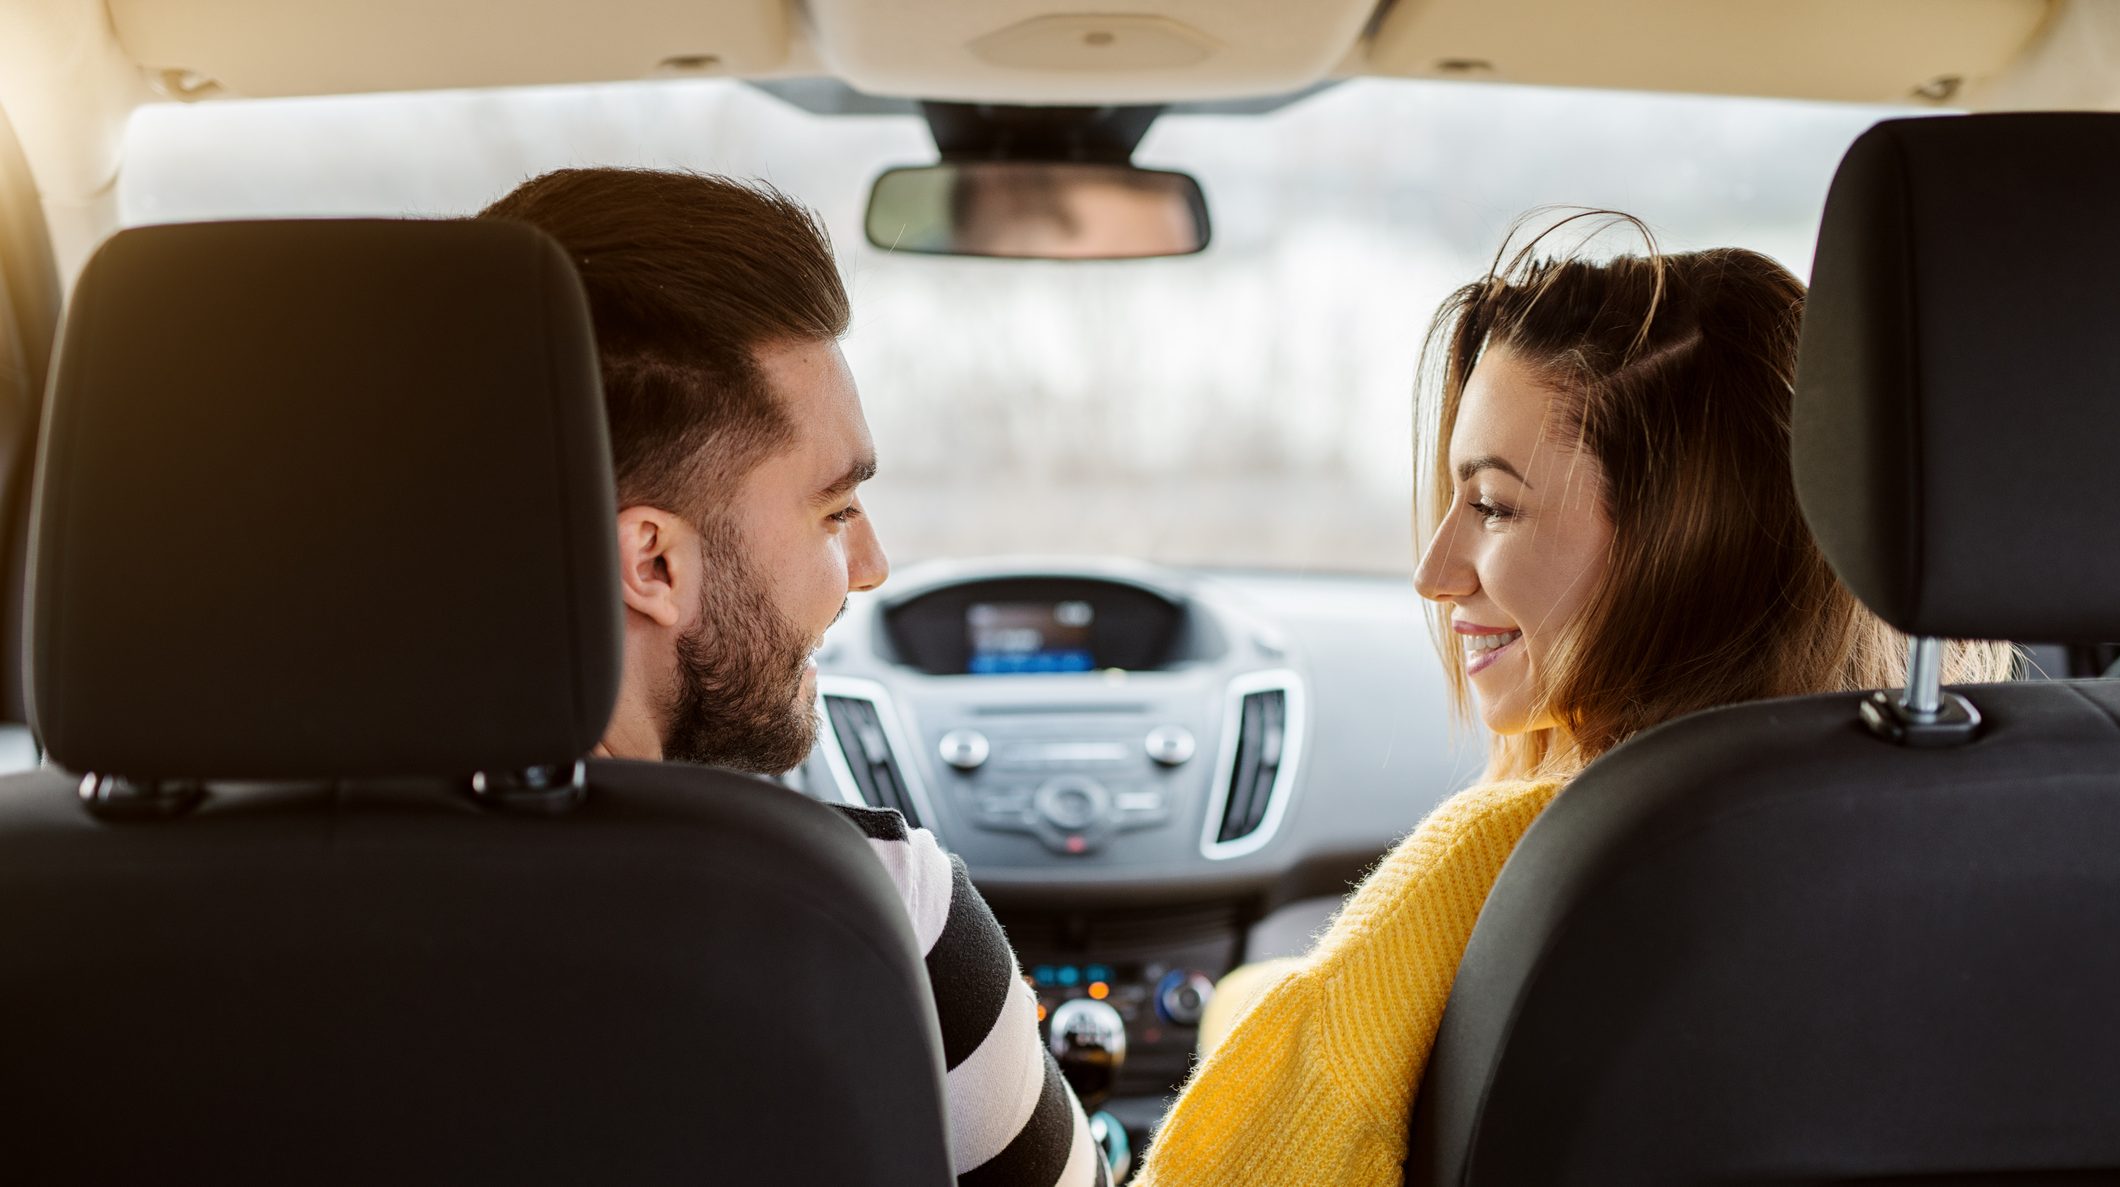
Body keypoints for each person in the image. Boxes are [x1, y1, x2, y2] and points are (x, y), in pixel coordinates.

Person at [1130, 215, 2015, 1187]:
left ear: (1682, 540)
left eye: (1495, 506)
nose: (1434, 572)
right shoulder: (2019, 828)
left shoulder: (1521, 862)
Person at [477, 167, 1107, 1187]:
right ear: (653, 563)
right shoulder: (871, 910)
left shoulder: (179, 919)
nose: (868, 566)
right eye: (832, 512)